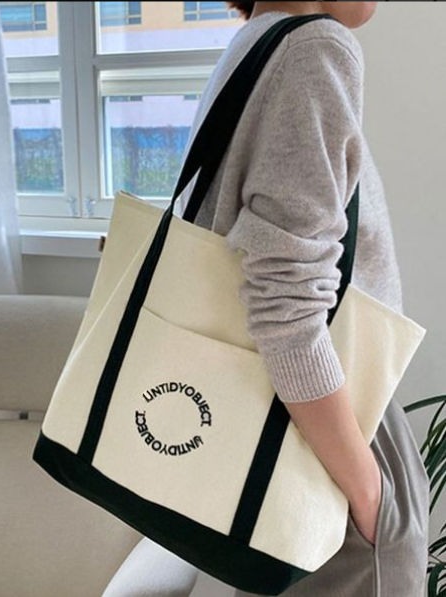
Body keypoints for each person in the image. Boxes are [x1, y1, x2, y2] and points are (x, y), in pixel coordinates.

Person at [104, 3, 431, 597]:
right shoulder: (313, 49)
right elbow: (286, 305)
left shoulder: (256, 43)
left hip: (285, 416)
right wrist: (370, 495)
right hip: (330, 420)